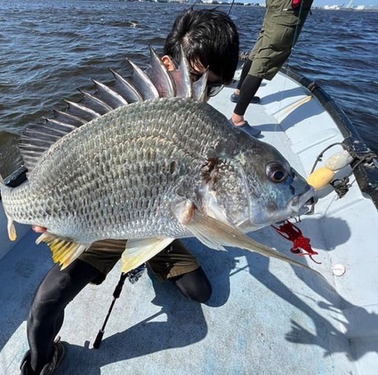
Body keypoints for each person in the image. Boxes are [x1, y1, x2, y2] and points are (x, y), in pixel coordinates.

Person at [20, 8, 239, 375]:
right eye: (197, 77)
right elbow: (77, 167)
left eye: (213, 85)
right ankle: (43, 362)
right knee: (46, 303)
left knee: (200, 292)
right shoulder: (130, 112)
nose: (204, 91)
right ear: (169, 65)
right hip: (102, 221)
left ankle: (149, 258)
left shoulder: (202, 128)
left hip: (156, 222)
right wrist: (52, 211)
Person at [230, 0, 314, 138]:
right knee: (266, 57)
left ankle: (239, 93)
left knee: (260, 49)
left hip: (280, 8)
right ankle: (237, 119)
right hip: (288, 10)